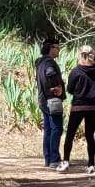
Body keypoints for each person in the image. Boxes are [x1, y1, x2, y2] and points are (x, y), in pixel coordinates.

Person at [62, 45, 95, 172]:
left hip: (78, 106)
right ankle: (91, 164)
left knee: (70, 134)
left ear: (80, 55)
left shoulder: (75, 71)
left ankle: (66, 161)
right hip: (93, 107)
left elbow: (70, 89)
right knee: (90, 135)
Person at [35, 40, 66, 169]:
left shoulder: (40, 62)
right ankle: (54, 159)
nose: (58, 49)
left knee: (48, 130)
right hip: (52, 100)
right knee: (56, 129)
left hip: (43, 100)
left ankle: (48, 159)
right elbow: (50, 73)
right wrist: (57, 86)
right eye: (56, 47)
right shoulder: (49, 63)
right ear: (50, 48)